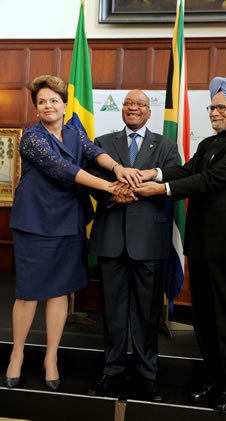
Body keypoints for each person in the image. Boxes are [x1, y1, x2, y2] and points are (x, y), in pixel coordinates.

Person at [6, 75, 141, 392]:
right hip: (35, 225)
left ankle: (51, 357)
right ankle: (17, 353)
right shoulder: (32, 138)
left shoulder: (73, 130)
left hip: (69, 222)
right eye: (41, 102)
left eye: (54, 100)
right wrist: (111, 186)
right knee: (28, 293)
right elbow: (64, 170)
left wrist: (118, 169)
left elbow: (93, 152)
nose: (48, 106)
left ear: (64, 104)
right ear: (36, 109)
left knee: (59, 292)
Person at [134, 77, 226, 411]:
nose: (214, 112)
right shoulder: (209, 144)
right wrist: (154, 174)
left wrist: (161, 190)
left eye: (221, 107)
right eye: (212, 107)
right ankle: (212, 378)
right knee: (204, 318)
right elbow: (187, 170)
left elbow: (209, 180)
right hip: (202, 242)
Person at [87, 89, 178, 401]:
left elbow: (173, 180)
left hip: (149, 243)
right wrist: (113, 194)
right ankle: (111, 372)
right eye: (128, 103)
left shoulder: (165, 145)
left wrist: (133, 191)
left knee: (147, 314)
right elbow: (91, 179)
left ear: (149, 111)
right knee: (112, 312)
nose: (133, 108)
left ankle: (146, 375)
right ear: (121, 109)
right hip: (111, 238)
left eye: (140, 104)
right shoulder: (102, 143)